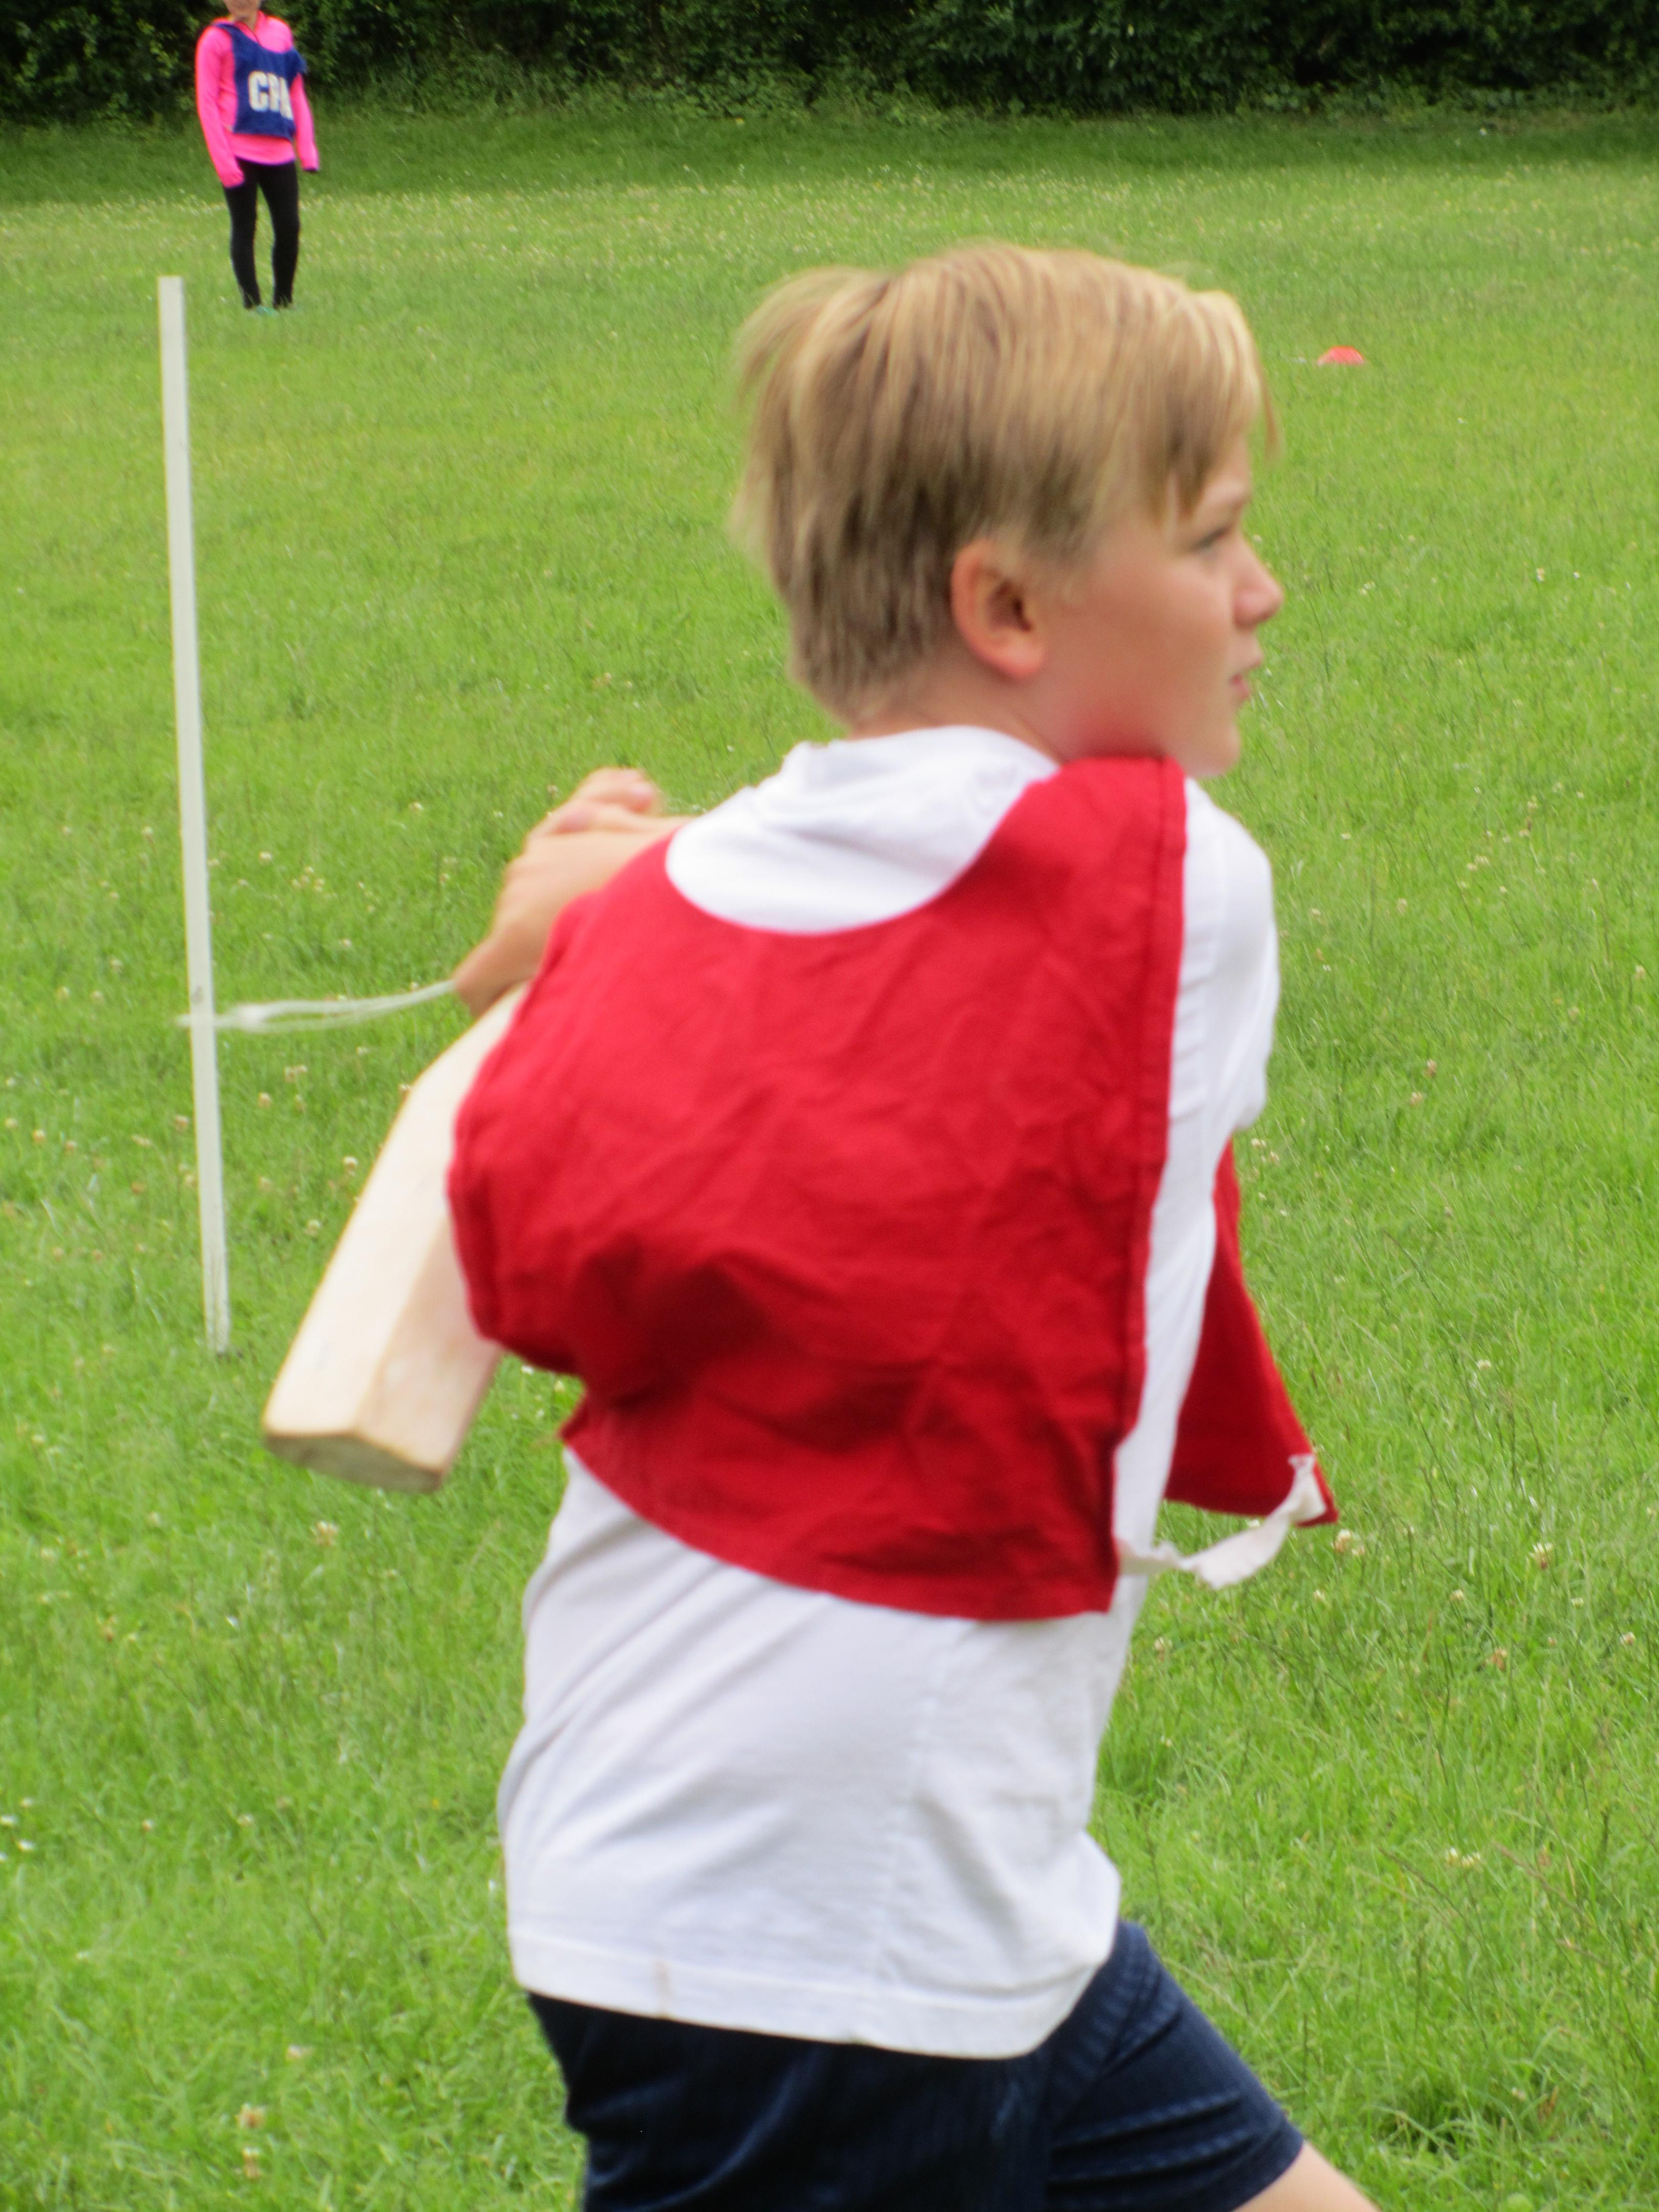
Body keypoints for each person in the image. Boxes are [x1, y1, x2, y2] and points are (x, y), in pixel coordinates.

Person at [448, 245, 1379, 2212]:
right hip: (823, 1932)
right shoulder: (1179, 894)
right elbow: (955, 896)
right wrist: (625, 891)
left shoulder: (689, 903)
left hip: (871, 1870)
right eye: (1212, 536)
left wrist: (607, 898)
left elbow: (804, 914)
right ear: (1005, 607)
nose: (1262, 588)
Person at [194, 0, 317, 313]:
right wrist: (224, 162)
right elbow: (207, 103)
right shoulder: (215, 39)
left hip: (279, 152)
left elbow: (295, 92)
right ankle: (253, 305)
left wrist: (306, 148)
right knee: (245, 227)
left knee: (289, 227)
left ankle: (284, 302)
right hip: (238, 153)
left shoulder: (280, 32)